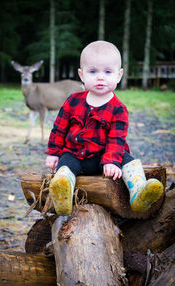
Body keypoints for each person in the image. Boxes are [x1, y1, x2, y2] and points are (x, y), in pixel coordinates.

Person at [45, 40, 164, 216]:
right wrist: (53, 152)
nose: (100, 77)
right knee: (65, 166)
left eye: (108, 72)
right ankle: (63, 193)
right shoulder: (73, 101)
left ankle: (138, 191)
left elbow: (117, 139)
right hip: (76, 154)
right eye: (93, 71)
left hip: (105, 156)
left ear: (119, 75)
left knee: (128, 160)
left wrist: (111, 161)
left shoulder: (118, 108)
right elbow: (59, 128)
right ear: (82, 74)